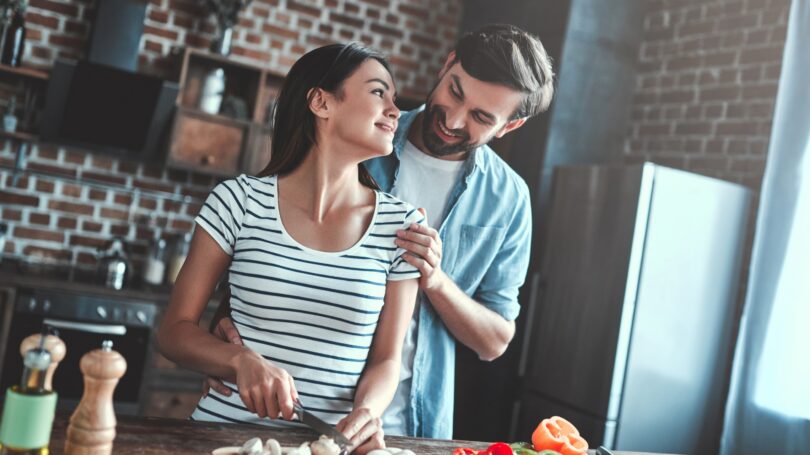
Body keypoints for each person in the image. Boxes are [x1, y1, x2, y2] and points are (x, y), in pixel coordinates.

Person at [210, 24, 555, 439]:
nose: (453, 119)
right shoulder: (358, 136)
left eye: (482, 117)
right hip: (294, 412)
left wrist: (436, 280)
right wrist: (225, 338)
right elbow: (267, 241)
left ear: (508, 127)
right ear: (447, 65)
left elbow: (495, 340)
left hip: (411, 422)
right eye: (455, 92)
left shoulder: (509, 198)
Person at [157, 42, 426, 453]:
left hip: (327, 446)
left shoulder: (403, 226)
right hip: (222, 439)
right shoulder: (238, 201)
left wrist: (368, 412)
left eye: (395, 99)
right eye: (378, 93)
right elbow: (174, 332)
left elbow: (388, 359)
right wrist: (238, 361)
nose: (396, 110)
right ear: (321, 102)